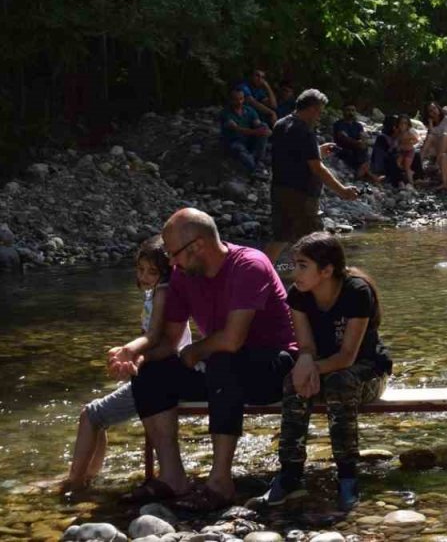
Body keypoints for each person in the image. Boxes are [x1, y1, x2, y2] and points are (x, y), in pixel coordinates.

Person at [113, 209, 298, 511]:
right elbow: (170, 343)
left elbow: (232, 339)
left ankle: (220, 483)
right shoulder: (185, 276)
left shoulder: (249, 265)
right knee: (151, 371)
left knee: (223, 360)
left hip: (274, 370)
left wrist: (195, 352)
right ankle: (173, 478)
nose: (171, 263)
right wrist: (134, 356)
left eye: (174, 255)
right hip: (222, 370)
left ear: (197, 245)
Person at [264, 232, 392, 511]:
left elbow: (348, 357)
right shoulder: (298, 294)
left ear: (327, 270)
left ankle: (347, 476)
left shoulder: (357, 292)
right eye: (294, 264)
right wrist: (304, 366)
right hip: (326, 368)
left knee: (339, 382)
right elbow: (307, 346)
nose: (294, 272)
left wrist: (310, 369)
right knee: (292, 383)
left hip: (368, 371)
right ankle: (290, 473)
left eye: (302, 265)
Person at [60, 237, 192, 493]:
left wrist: (129, 352)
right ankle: (86, 476)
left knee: (91, 414)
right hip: (156, 369)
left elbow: (154, 337)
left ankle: (75, 481)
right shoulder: (156, 292)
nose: (144, 276)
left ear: (166, 271)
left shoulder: (163, 292)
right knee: (95, 415)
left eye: (152, 271)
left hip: (159, 375)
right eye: (141, 269)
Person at [265, 89, 359, 262]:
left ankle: (257, 274)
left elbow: (293, 156)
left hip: (279, 191)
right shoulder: (305, 131)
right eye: (319, 112)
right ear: (312, 109)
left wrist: (318, 151)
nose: (319, 116)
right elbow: (316, 167)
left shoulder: (281, 124)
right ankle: (325, 281)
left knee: (280, 237)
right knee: (318, 244)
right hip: (301, 196)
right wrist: (343, 191)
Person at [219, 87, 270, 173]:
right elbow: (237, 129)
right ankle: (254, 166)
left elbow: (257, 124)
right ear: (231, 100)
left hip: (249, 140)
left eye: (241, 99)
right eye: (236, 99)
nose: (239, 102)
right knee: (240, 151)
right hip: (235, 141)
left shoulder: (249, 110)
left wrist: (264, 130)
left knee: (263, 126)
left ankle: (258, 160)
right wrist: (257, 132)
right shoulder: (225, 113)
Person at [332, 104, 378, 183]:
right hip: (343, 148)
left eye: (353, 110)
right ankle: (367, 175)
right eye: (348, 110)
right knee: (356, 152)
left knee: (365, 151)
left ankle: (364, 173)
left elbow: (363, 137)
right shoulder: (339, 124)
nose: (351, 112)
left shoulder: (358, 125)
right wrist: (357, 142)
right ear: (344, 111)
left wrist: (361, 142)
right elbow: (343, 138)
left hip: (357, 148)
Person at [421, 102, 447, 192]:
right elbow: (428, 139)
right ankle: (418, 163)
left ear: (438, 108)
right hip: (437, 150)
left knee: (444, 135)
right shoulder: (431, 124)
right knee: (430, 136)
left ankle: (437, 164)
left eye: (434, 108)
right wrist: (430, 125)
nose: (433, 111)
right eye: (430, 111)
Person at [396, 116, 420, 186]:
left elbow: (416, 140)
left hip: (410, 151)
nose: (403, 125)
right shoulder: (398, 133)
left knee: (407, 165)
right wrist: (398, 146)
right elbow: (397, 141)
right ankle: (409, 174)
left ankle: (411, 182)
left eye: (405, 123)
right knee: (398, 163)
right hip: (402, 152)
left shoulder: (409, 133)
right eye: (401, 123)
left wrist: (410, 143)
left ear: (408, 125)